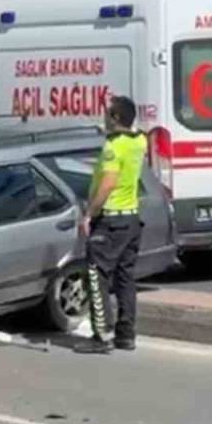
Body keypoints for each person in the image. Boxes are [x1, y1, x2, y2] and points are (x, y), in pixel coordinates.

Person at [75, 95, 147, 354]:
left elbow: (107, 184)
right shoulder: (140, 140)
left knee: (97, 275)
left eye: (107, 114)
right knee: (126, 278)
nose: (103, 117)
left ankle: (101, 336)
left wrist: (89, 215)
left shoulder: (113, 148)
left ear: (116, 118)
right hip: (131, 219)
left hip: (110, 220)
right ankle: (126, 335)